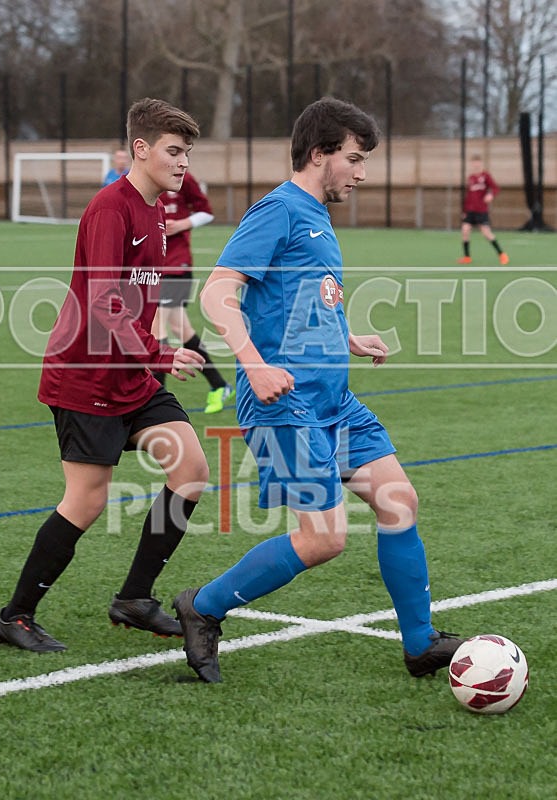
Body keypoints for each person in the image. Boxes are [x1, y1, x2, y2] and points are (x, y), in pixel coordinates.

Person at [172, 97, 464, 683]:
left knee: (398, 501)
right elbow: (215, 293)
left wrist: (345, 336)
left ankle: (419, 644)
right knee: (323, 539)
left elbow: (300, 302)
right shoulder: (277, 211)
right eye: (353, 159)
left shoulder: (317, 217)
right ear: (318, 154)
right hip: (283, 403)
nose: (361, 173)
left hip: (334, 400)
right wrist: (252, 364)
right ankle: (201, 607)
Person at [0, 98, 209, 653]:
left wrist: (158, 349)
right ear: (141, 149)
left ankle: (135, 598)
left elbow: (138, 300)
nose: (183, 162)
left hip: (131, 375)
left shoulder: (158, 210)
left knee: (190, 469)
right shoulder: (110, 208)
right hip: (86, 377)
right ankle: (16, 615)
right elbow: (103, 301)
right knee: (87, 500)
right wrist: (160, 356)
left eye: (187, 153)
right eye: (174, 151)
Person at [152, 172, 235, 414]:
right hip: (154, 266)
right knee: (180, 328)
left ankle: (155, 400)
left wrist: (182, 224)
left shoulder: (184, 179)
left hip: (177, 265)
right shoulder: (143, 182)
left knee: (157, 325)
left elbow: (206, 211)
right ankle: (219, 385)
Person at [457, 154, 509, 265]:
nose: (475, 164)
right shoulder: (471, 178)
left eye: (477, 162)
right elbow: (468, 196)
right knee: (465, 231)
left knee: (486, 233)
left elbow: (495, 188)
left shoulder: (486, 176)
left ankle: (502, 254)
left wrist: (490, 195)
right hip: (470, 211)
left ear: (481, 163)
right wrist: (464, 211)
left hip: (481, 210)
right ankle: (467, 257)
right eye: (473, 162)